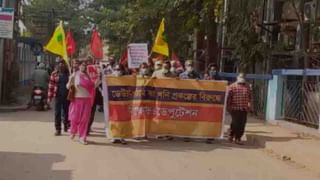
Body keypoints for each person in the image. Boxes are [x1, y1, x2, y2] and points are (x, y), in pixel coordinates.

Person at [67, 62, 97, 145]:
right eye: (82, 65)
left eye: (85, 65)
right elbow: (68, 86)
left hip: (87, 99)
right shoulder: (75, 75)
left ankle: (82, 137)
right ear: (79, 66)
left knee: (85, 119)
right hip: (77, 100)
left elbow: (93, 86)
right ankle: (73, 131)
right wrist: (70, 80)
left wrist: (99, 79)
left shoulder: (89, 76)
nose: (83, 67)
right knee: (74, 118)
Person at [227, 73, 252, 145]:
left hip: (244, 108)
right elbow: (229, 98)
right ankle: (235, 137)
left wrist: (250, 106)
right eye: (241, 77)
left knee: (242, 123)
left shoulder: (248, 86)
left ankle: (235, 137)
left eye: (243, 77)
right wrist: (228, 107)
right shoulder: (232, 86)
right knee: (236, 123)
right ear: (237, 77)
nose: (242, 78)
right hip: (235, 108)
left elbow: (250, 97)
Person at [47, 62, 70, 136]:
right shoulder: (54, 74)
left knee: (67, 112)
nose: (61, 66)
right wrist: (49, 97)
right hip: (58, 96)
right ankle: (58, 129)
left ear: (65, 66)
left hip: (67, 96)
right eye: (60, 65)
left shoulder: (69, 73)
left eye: (63, 65)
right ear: (58, 66)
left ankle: (66, 125)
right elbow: (51, 86)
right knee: (57, 113)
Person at [110, 64, 127, 145]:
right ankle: (114, 136)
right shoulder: (110, 78)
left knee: (123, 120)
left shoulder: (127, 79)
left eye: (119, 69)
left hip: (123, 103)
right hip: (113, 103)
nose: (118, 71)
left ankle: (122, 137)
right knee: (114, 120)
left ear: (123, 70)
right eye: (116, 69)